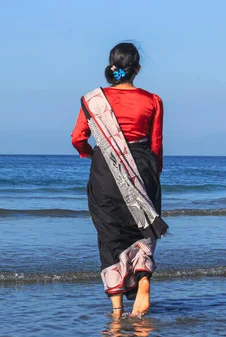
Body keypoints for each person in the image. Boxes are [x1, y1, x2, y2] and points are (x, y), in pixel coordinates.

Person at [71, 43, 168, 318]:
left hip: (106, 171)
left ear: (113, 67)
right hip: (144, 169)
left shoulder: (91, 100)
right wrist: (153, 175)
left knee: (109, 233)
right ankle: (143, 279)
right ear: (136, 70)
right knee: (142, 228)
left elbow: (78, 138)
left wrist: (92, 156)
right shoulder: (153, 100)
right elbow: (156, 144)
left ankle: (116, 311)